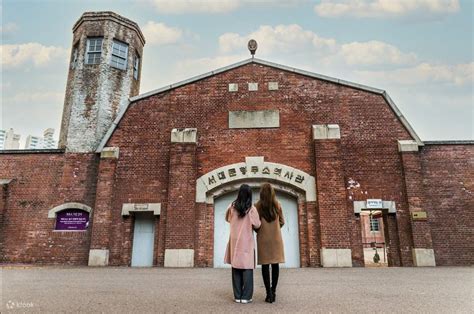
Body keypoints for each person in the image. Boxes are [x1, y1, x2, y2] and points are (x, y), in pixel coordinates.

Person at [224, 184, 261, 304]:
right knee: (247, 268)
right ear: (250, 195)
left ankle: (237, 295)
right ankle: (246, 297)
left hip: (234, 240)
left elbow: (227, 219)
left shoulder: (231, 206)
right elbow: (257, 225)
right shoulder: (251, 208)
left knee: (236, 268)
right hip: (246, 241)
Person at [255, 183, 285, 303]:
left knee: (265, 266)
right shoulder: (278, 204)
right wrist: (276, 228)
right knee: (275, 265)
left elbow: (255, 224)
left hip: (263, 239)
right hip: (276, 239)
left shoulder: (257, 206)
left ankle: (268, 294)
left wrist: (259, 230)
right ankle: (274, 291)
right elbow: (282, 221)